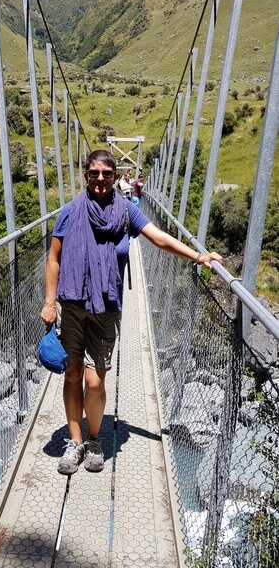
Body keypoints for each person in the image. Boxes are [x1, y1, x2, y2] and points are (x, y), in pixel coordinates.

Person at [41, 149, 222, 476]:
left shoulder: (126, 212)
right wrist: (49, 301)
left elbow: (159, 238)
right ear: (85, 175)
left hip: (107, 308)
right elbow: (54, 259)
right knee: (72, 374)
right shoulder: (69, 213)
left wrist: (198, 256)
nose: (99, 179)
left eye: (106, 174)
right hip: (72, 304)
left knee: (95, 381)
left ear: (114, 177)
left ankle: (95, 440)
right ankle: (76, 442)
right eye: (94, 173)